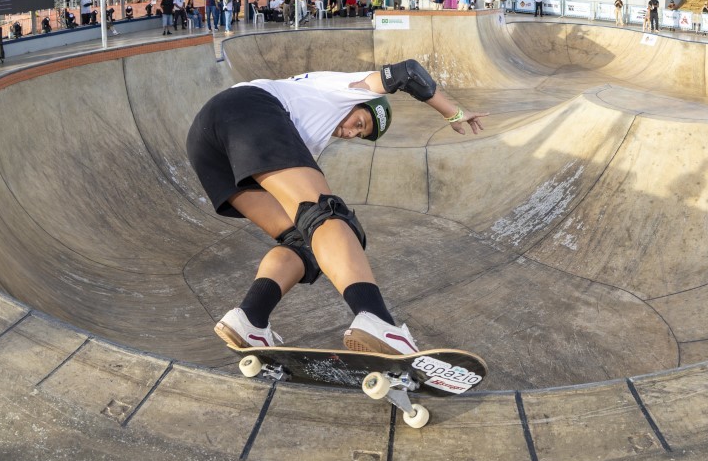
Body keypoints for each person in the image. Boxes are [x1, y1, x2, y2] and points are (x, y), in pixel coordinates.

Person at [186, 60, 487, 354]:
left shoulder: (302, 130)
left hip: (208, 144)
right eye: (359, 122)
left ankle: (250, 319)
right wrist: (453, 112)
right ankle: (377, 320)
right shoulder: (349, 89)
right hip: (247, 109)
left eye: (361, 134)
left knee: (303, 240)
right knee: (324, 213)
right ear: (359, 104)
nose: (352, 132)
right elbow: (408, 72)